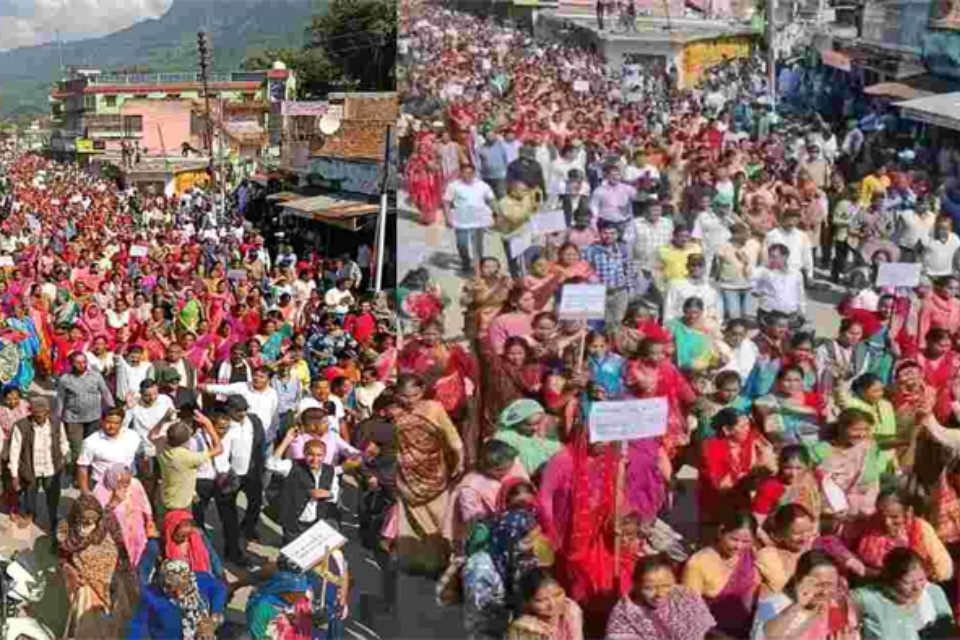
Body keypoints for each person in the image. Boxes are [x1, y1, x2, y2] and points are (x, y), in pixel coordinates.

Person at [391, 374, 465, 575]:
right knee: (414, 520)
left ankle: (445, 560)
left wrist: (460, 459)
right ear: (397, 394)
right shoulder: (392, 412)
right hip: (407, 475)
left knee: (441, 517)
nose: (409, 400)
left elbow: (452, 436)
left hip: (435, 472)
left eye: (414, 395)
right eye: (404, 396)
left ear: (422, 392)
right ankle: (421, 564)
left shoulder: (434, 408)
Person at [59, 494, 139, 639]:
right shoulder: (67, 528)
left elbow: (121, 548)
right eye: (85, 519)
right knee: (89, 625)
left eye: (93, 519)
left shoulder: (108, 522)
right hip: (86, 585)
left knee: (112, 623)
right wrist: (70, 572)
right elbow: (63, 556)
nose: (90, 522)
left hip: (111, 580)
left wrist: (126, 572)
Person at [682, 512, 761, 639]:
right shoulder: (698, 562)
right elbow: (690, 611)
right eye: (733, 539)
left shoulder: (750, 554)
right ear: (720, 532)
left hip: (748, 629)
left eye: (746, 541)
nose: (738, 546)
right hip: (712, 634)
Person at [751, 551, 861, 640]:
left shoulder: (839, 606)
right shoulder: (771, 605)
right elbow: (764, 637)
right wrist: (796, 606)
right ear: (798, 580)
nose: (824, 592)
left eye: (830, 585)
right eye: (817, 585)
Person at [849, 489, 953, 583]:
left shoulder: (920, 528)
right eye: (882, 516)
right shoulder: (868, 525)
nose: (887, 522)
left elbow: (944, 569)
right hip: (872, 585)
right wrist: (853, 562)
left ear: (908, 512)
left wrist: (919, 579)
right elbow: (835, 542)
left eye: (894, 517)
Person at [605, 554, 717, 640]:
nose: (660, 594)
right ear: (636, 585)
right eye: (649, 588)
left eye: (666, 586)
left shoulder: (686, 597)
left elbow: (708, 631)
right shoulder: (624, 615)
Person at [852, 547, 956, 639]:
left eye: (921, 579)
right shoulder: (867, 598)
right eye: (908, 582)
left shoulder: (934, 593)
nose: (917, 587)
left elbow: (948, 631)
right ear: (891, 579)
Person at [807, 408, 887, 519]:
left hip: (867, 513)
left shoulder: (870, 447)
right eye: (856, 429)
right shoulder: (821, 450)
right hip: (831, 514)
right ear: (841, 428)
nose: (861, 434)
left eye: (866, 429)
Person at [268, 429, 341, 545]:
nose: (315, 459)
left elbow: (335, 493)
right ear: (304, 453)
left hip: (316, 521)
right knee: (290, 554)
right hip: (293, 520)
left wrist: (327, 494)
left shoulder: (330, 470)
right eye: (310, 454)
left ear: (324, 455)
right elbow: (271, 465)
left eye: (319, 455)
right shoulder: (293, 465)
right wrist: (286, 441)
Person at [7, 396, 68, 532]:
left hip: (52, 467)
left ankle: (53, 517)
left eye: (42, 414)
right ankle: (30, 515)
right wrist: (14, 474)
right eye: (36, 415)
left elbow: (63, 441)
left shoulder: (57, 423)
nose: (39, 418)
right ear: (31, 412)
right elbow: (14, 450)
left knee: (53, 495)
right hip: (30, 468)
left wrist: (64, 456)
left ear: (47, 412)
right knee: (30, 495)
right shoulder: (21, 426)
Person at [127, 559, 227, 640]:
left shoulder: (201, 580)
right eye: (170, 587)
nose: (178, 594)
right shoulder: (150, 594)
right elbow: (137, 624)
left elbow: (220, 589)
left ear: (188, 579)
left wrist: (214, 619)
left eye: (181, 587)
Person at [93, 463, 154, 568]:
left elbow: (145, 503)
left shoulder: (135, 484)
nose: (126, 485)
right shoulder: (100, 491)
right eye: (122, 482)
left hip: (136, 532)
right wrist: (114, 501)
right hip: (116, 538)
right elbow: (99, 518)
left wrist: (149, 521)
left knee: (138, 559)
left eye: (128, 481)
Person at [444, 164, 499, 275]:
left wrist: (497, 214)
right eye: (464, 172)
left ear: (474, 173)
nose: (467, 175)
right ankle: (465, 261)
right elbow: (446, 202)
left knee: (477, 244)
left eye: (469, 172)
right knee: (461, 243)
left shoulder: (482, 185)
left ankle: (478, 266)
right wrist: (448, 217)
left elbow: (492, 200)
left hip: (479, 218)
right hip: (461, 218)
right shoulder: (453, 186)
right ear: (460, 173)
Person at [76, 407, 143, 493]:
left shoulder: (133, 436)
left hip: (129, 485)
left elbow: (141, 457)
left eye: (116, 423)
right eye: (109, 422)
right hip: (102, 487)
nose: (112, 426)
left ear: (122, 423)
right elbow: (82, 466)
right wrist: (85, 490)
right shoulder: (90, 442)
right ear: (102, 421)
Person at [506, 568, 583, 640]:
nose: (553, 604)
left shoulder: (570, 608)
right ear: (527, 602)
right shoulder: (521, 627)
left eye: (558, 594)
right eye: (541, 600)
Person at [493, 399, 562, 477]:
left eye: (538, 423)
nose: (535, 428)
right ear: (518, 422)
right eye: (529, 425)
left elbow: (548, 446)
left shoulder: (533, 434)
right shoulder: (506, 437)